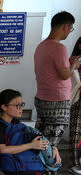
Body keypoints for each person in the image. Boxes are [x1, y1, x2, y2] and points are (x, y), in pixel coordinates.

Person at [34, 11, 81, 150]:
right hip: (57, 101)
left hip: (42, 97)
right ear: (65, 27)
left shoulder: (41, 46)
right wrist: (74, 65)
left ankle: (37, 167)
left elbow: (50, 69)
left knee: (40, 138)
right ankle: (47, 170)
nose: (69, 32)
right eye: (70, 29)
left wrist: (67, 62)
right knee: (51, 142)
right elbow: (64, 75)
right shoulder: (59, 47)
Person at [69, 37, 81, 174]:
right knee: (76, 132)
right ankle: (76, 163)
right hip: (77, 102)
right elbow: (75, 83)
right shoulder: (74, 61)